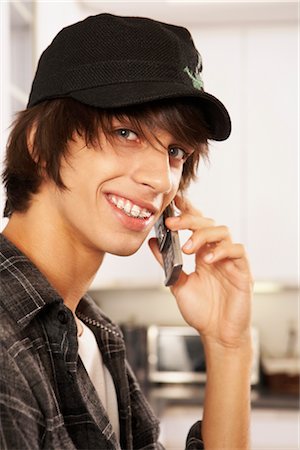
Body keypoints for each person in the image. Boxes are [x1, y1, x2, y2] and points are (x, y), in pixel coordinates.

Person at [0, 13, 253, 450]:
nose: (161, 179)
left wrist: (228, 346)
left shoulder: (96, 335)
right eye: (126, 132)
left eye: (175, 151)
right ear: (40, 143)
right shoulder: (7, 349)